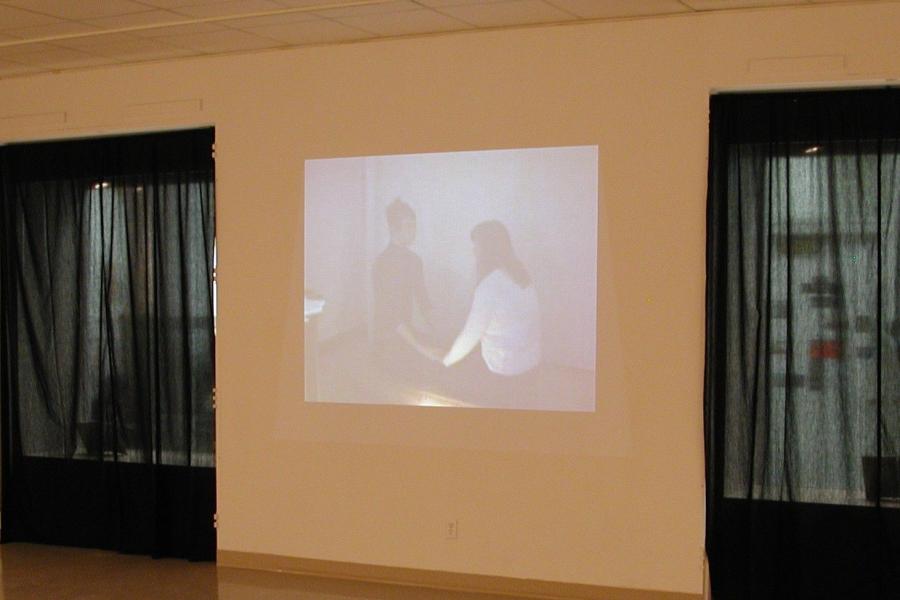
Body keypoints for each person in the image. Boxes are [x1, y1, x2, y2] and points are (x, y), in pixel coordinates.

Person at [442, 220, 541, 377]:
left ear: (487, 249)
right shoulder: (521, 276)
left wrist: (447, 361)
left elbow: (471, 333)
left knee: (459, 367)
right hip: (531, 361)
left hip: (505, 368)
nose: (473, 251)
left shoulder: (490, 286)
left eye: (476, 246)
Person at [371, 199, 439, 363]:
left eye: (414, 226)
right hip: (387, 339)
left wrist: (440, 331)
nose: (413, 231)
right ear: (393, 228)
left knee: (444, 353)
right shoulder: (382, 264)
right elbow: (391, 316)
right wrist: (423, 349)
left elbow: (424, 301)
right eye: (409, 226)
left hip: (406, 333)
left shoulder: (415, 260)